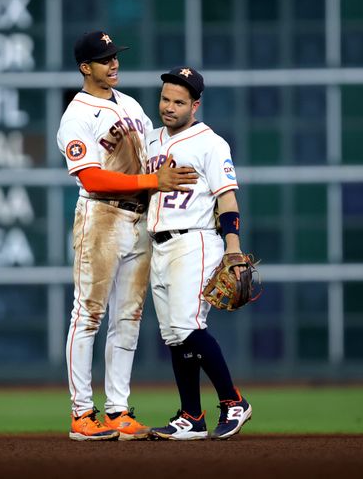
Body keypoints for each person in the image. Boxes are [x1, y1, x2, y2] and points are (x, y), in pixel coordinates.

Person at [56, 32, 198, 441]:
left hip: (139, 218)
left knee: (128, 318)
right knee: (88, 315)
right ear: (86, 67)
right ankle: (82, 414)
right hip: (100, 218)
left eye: (115, 56)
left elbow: (156, 153)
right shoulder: (77, 114)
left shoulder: (132, 105)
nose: (113, 63)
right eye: (104, 59)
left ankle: (118, 409)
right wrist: (153, 179)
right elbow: (91, 176)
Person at [146, 66, 252, 441]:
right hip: (157, 244)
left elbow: (227, 198)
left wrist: (233, 249)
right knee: (174, 335)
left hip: (196, 240)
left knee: (188, 327)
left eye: (179, 101)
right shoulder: (151, 140)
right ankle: (192, 416)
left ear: (195, 104)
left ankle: (233, 401)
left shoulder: (211, 142)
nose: (169, 107)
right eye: (165, 98)